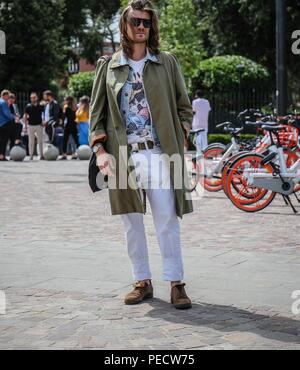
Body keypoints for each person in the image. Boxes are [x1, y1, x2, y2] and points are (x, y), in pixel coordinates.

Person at [89, 0, 193, 309]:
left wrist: (182, 134)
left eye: (147, 22)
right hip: (123, 157)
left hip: (160, 154)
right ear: (124, 25)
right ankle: (142, 281)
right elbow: (96, 116)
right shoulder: (108, 66)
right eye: (136, 21)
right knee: (131, 222)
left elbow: (183, 107)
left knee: (167, 219)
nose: (141, 27)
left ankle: (176, 283)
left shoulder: (166, 62)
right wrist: (99, 151)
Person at [24, 92, 45, 160]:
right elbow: (25, 116)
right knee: (31, 141)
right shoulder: (28, 106)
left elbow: (44, 115)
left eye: (34, 97)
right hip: (30, 125)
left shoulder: (40, 106)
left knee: (40, 141)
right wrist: (26, 126)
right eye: (31, 98)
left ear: (37, 98)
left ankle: (41, 155)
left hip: (39, 125)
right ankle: (31, 155)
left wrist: (43, 122)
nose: (32, 99)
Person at [0, 90, 16, 161]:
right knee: (4, 141)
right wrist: (14, 117)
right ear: (4, 95)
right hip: (5, 124)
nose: (8, 97)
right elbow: (7, 113)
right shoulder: (3, 102)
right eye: (8, 96)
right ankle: (2, 156)